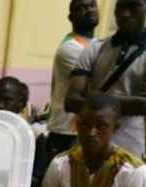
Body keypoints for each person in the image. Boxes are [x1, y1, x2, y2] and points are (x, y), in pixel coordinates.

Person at [65, 0, 146, 158]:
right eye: (121, 7)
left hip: (128, 149)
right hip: (87, 148)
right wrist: (131, 100)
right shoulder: (94, 49)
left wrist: (93, 96)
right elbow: (70, 101)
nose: (125, 14)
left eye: (133, 6)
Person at [46, 0, 100, 158]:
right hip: (66, 130)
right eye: (81, 9)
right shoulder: (70, 48)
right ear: (71, 17)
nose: (89, 11)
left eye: (91, 5)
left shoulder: (98, 44)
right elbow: (98, 81)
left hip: (87, 126)